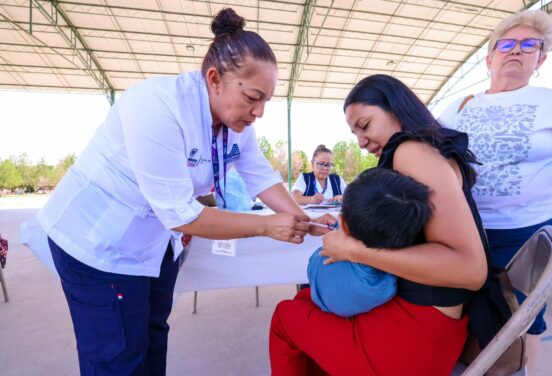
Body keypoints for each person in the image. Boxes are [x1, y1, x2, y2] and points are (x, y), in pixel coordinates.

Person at [31, 8, 332, 376]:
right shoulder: (157, 105)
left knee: (152, 340)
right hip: (101, 246)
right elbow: (181, 214)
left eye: (267, 100)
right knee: (118, 358)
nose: (260, 112)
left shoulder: (237, 121)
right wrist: (267, 226)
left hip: (156, 245)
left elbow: (260, 176)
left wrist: (304, 219)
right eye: (254, 97)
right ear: (214, 79)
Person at [438, 9, 552, 369]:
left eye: (529, 45)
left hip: (530, 228)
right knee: (461, 309)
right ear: (489, 58)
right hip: (466, 227)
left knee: (522, 317)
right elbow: (435, 157)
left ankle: (522, 369)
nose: (516, 51)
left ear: (540, 59)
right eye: (506, 44)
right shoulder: (459, 107)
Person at [269, 74, 490, 376]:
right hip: (434, 324)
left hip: (418, 334)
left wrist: (354, 250)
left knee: (286, 316)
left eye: (365, 125)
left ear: (395, 109)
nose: (360, 141)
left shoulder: (410, 152)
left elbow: (470, 270)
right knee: (306, 299)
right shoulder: (428, 149)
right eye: (354, 132)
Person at [307, 167, 432, 318]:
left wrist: (339, 229)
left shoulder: (331, 253)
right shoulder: (385, 283)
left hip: (322, 299)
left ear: (343, 224)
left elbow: (314, 262)